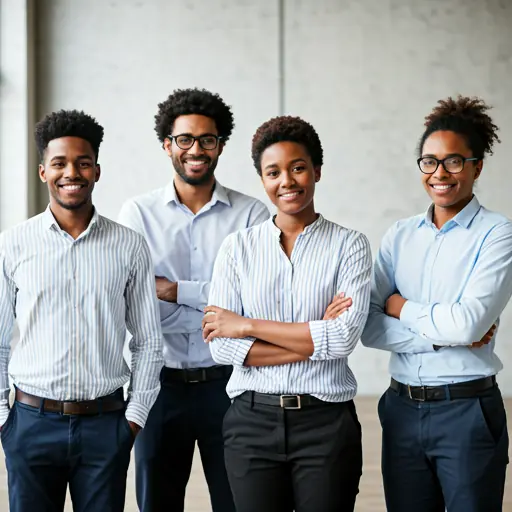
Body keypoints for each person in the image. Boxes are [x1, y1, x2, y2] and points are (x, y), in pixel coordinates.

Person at [203, 115, 372, 512]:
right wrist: (315, 337)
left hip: (325, 423)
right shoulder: (237, 248)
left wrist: (247, 326)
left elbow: (344, 338)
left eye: (298, 168)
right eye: (273, 172)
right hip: (251, 422)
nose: (287, 182)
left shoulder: (350, 246)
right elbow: (222, 350)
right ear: (262, 179)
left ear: (316, 170)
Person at [0, 110, 163, 512]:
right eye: (59, 163)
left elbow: (148, 342)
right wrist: (5, 420)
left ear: (97, 171)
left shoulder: (129, 246)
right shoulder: (13, 245)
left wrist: (134, 419)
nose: (71, 172)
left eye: (82, 163)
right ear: (43, 172)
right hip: (30, 424)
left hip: (105, 425)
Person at [118, 88, 269, 512]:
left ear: (221, 145)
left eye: (208, 139)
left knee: (238, 501)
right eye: (185, 139)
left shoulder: (252, 215)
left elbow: (255, 301)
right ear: (167, 145)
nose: (196, 149)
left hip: (232, 384)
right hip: (159, 385)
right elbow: (135, 301)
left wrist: (174, 291)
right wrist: (218, 304)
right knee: (156, 503)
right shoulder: (138, 214)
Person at [361, 96, 512, 512]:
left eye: (454, 162)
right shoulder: (399, 235)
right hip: (401, 410)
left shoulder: (498, 234)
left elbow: (467, 325)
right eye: (429, 161)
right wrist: (443, 336)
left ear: (477, 166)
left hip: (467, 412)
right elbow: (368, 327)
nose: (440, 173)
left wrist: (401, 306)